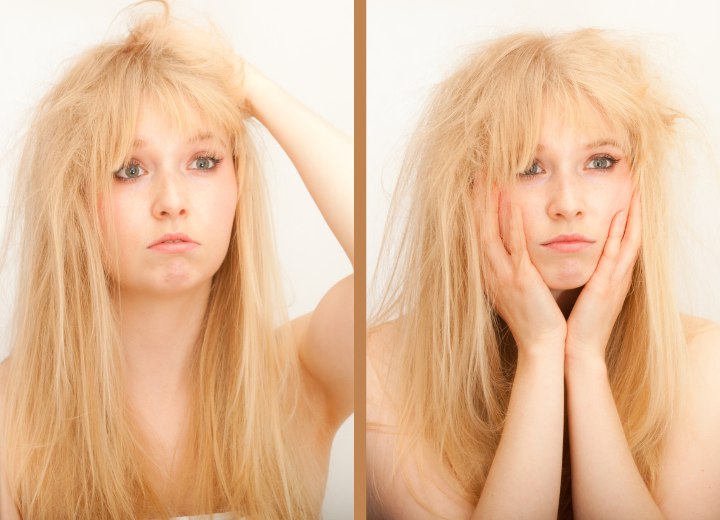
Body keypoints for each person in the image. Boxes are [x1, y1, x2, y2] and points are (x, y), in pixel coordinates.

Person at [0, 2, 353, 519]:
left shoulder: (304, 373)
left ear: (238, 185)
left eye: (203, 161)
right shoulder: (11, 418)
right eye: (128, 169)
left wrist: (245, 83)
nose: (172, 200)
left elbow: (395, 252)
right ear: (74, 202)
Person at [367, 29, 720, 519]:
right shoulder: (384, 369)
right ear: (466, 192)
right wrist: (540, 349)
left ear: (640, 181)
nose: (568, 205)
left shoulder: (703, 362)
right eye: (527, 167)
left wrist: (585, 358)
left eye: (600, 162)